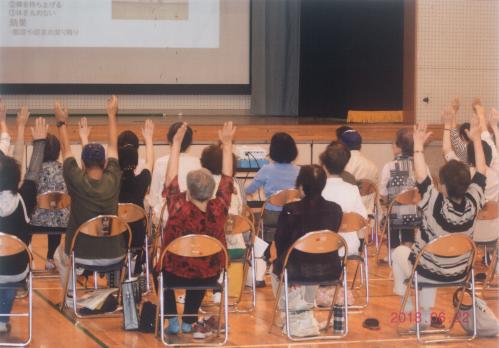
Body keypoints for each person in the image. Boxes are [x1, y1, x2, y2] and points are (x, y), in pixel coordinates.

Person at [392, 106, 486, 329]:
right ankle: (424, 315)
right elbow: (482, 170)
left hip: (429, 270)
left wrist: (418, 145)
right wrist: (476, 138)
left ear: (441, 185)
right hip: (460, 272)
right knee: (428, 256)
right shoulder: (473, 203)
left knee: (401, 253)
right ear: (467, 185)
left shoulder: (434, 203)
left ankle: (414, 315)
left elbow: (422, 176)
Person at [160, 122, 236, 338]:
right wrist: (227, 144)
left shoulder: (178, 208)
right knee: (202, 262)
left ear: (188, 191)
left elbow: (170, 179)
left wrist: (175, 144)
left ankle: (174, 319)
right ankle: (190, 320)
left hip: (175, 274)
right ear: (212, 191)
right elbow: (228, 179)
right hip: (208, 276)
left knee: (160, 272)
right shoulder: (219, 209)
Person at [53, 96, 126, 300]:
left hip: (82, 254)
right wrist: (112, 115)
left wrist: (61, 123)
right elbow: (113, 146)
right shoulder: (114, 178)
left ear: (82, 163)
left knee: (58, 256)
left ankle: (69, 297)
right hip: (115, 255)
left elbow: (66, 149)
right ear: (105, 162)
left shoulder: (75, 179)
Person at [0, 117, 47, 335]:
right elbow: (33, 175)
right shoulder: (25, 197)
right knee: (9, 277)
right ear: (14, 178)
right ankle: (2, 320)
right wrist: (40, 143)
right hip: (17, 270)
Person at [272, 164, 343, 304]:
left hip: (296, 269)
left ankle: (286, 311)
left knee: (275, 268)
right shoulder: (336, 210)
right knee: (314, 257)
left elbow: (280, 243)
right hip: (329, 268)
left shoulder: (290, 209)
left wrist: (281, 263)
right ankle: (308, 306)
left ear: (301, 186)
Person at [443, 102, 499, 244]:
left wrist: (447, 125)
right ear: (491, 156)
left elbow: (447, 151)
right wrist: (494, 127)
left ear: (468, 156)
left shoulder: (463, 173)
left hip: (470, 233)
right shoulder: (496, 171)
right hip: (495, 231)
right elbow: (490, 143)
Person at [245, 132, 300, 244]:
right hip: (293, 215)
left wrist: (248, 193)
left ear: (273, 151)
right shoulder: (299, 171)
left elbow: (249, 190)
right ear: (293, 150)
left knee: (252, 217)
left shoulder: (266, 169)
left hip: (272, 216)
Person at [379, 128, 423, 259]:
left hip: (395, 213)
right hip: (415, 212)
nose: (392, 146)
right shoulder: (419, 166)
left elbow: (382, 192)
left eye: (394, 143)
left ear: (399, 147)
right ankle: (408, 250)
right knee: (407, 213)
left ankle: (393, 252)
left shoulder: (389, 166)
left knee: (392, 213)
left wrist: (386, 203)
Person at [118, 119, 155, 275]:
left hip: (116, 237)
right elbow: (149, 162)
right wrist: (149, 139)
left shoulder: (111, 182)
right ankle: (135, 267)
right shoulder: (142, 180)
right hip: (137, 237)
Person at [29, 133, 69, 270]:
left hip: (37, 223)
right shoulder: (65, 170)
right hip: (62, 223)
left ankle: (29, 259)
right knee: (56, 211)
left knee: (27, 215)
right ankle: (51, 258)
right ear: (58, 151)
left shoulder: (34, 171)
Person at [148, 122, 200, 225]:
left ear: (169, 140)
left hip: (167, 218)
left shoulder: (160, 162)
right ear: (190, 143)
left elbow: (153, 199)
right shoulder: (198, 163)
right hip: (192, 218)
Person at [320, 141, 366, 254]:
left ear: (324, 167)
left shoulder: (318, 189)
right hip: (348, 246)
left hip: (321, 245)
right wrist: (361, 243)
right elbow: (362, 220)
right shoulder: (352, 189)